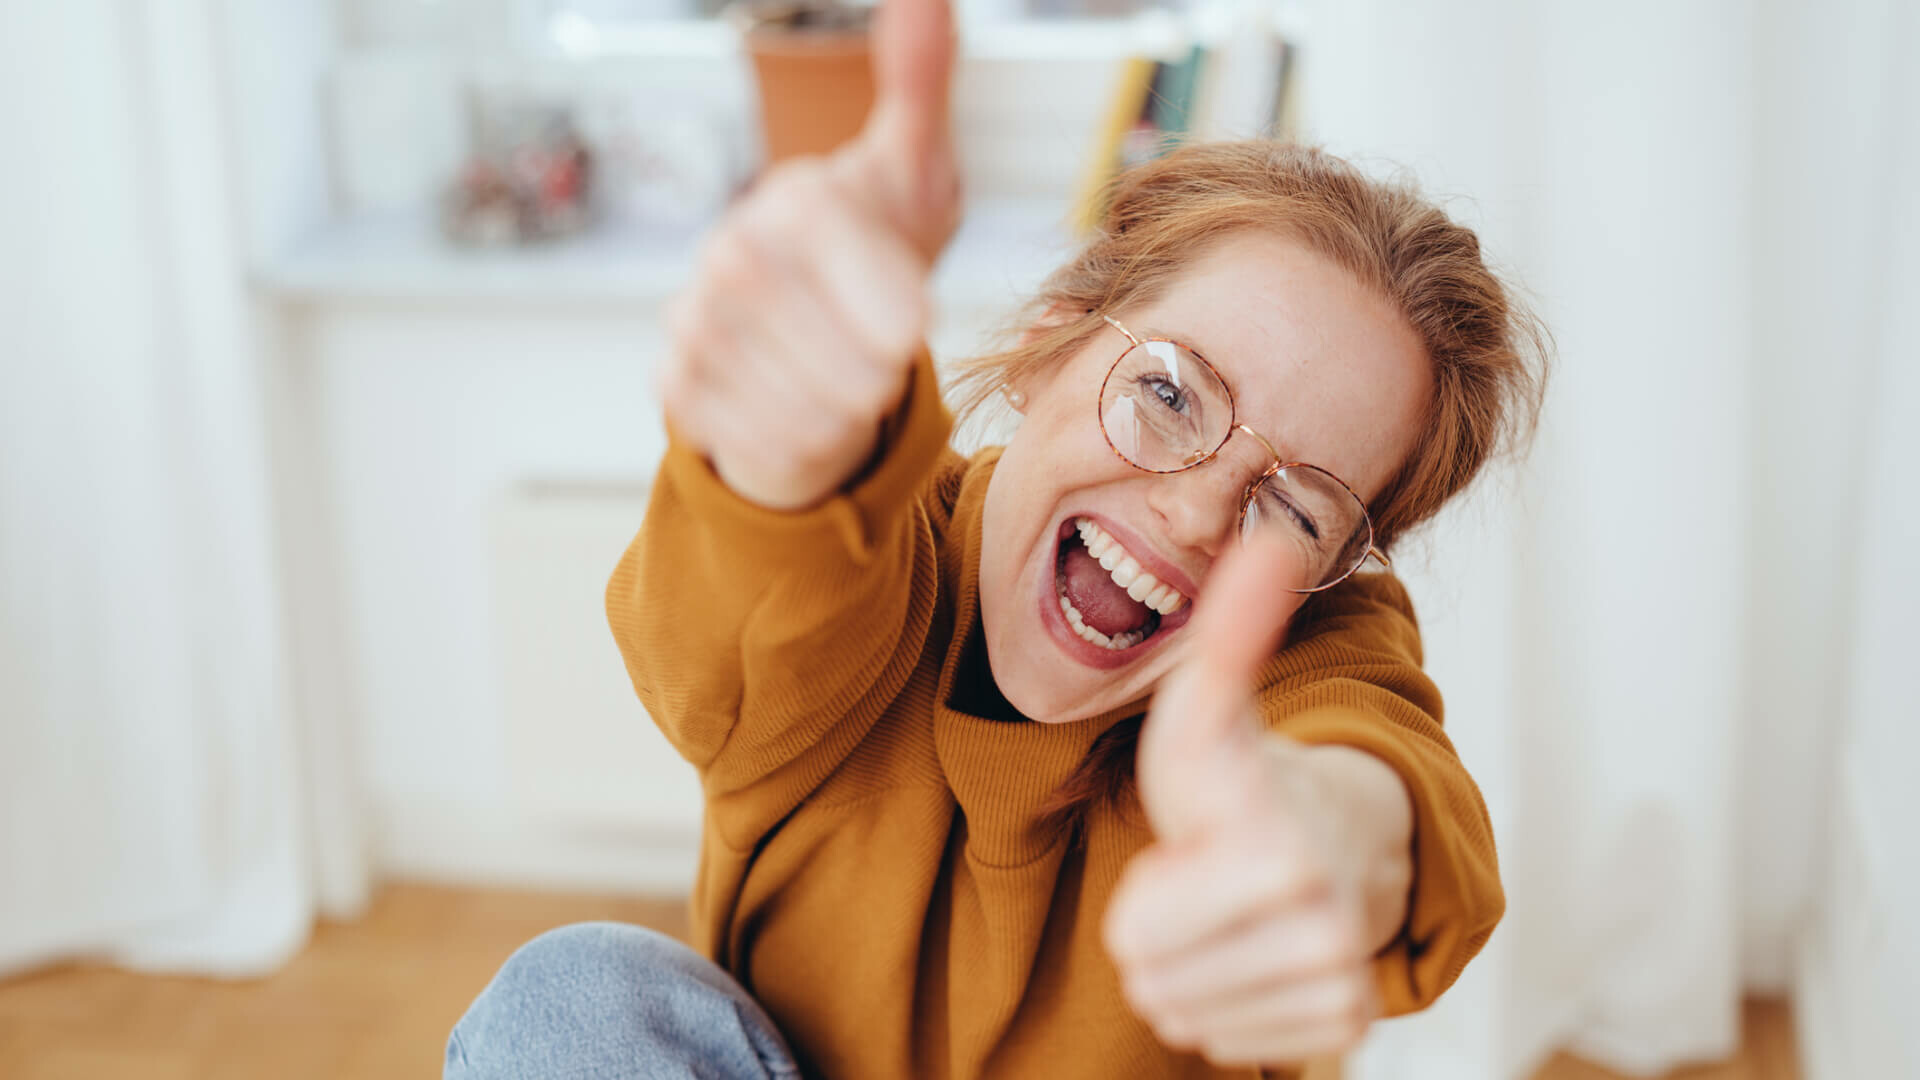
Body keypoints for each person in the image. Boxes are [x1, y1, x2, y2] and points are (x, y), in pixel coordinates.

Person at [444, 0, 1545, 1074]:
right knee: (572, 1002)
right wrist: (777, 459)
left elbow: (1383, 777)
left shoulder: (1302, 652)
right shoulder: (882, 560)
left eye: (1297, 510)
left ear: (1341, 565)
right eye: (1168, 393)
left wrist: (1321, 831)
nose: (1201, 512)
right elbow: (764, 582)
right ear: (1045, 345)